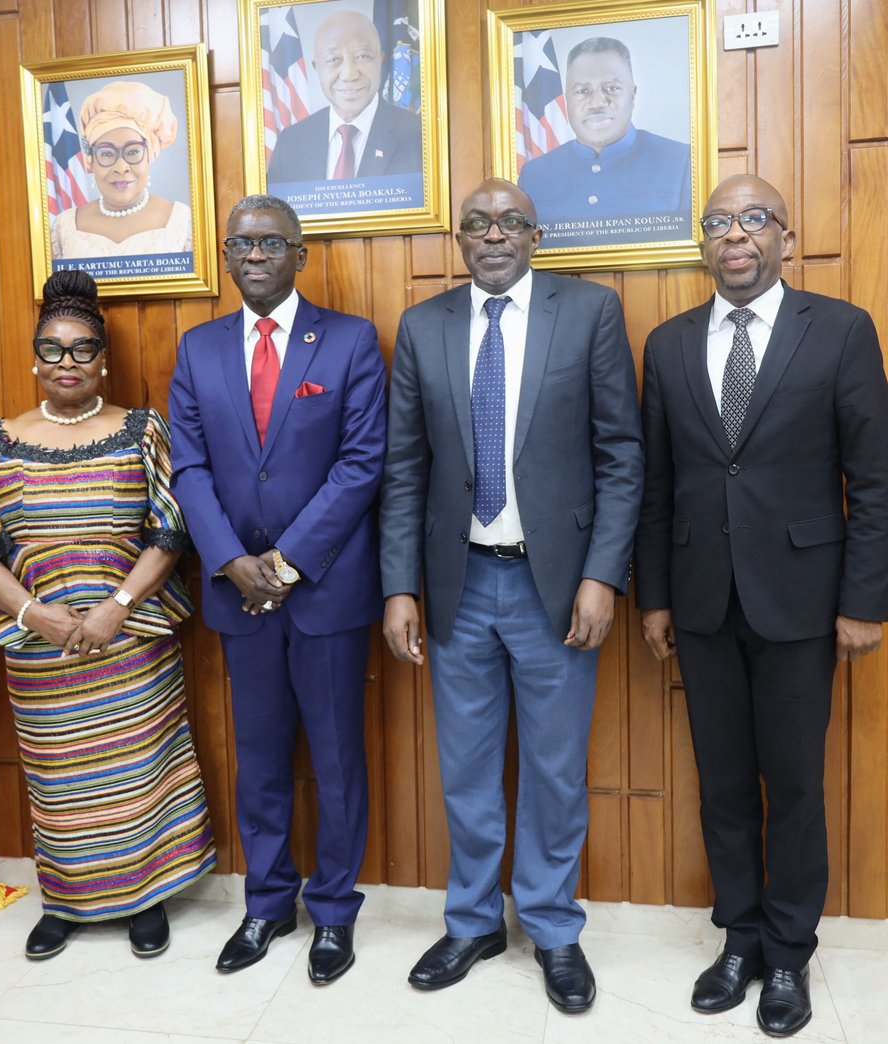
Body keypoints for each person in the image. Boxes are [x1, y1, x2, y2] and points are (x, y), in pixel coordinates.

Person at [636, 175, 888, 1038]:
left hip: (802, 602)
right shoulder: (670, 345)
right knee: (720, 785)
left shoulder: (841, 330)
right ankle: (739, 940)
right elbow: (659, 485)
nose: (735, 235)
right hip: (703, 602)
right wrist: (657, 598)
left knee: (791, 785)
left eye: (754, 219)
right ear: (703, 243)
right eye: (719, 222)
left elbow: (875, 479)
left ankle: (789, 954)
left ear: (787, 233)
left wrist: (864, 600)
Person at [379, 179, 644, 1012]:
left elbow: (621, 458)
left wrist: (603, 574)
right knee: (464, 769)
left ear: (536, 233)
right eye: (476, 225)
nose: (493, 235)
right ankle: (472, 923)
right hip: (459, 583)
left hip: (555, 586)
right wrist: (399, 588)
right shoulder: (425, 326)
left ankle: (554, 928)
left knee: (557, 769)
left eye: (509, 223)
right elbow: (404, 470)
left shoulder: (590, 313)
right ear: (460, 240)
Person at [0, 269, 215, 960]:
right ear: (34, 357)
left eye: (82, 349)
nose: (66, 363)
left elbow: (170, 531)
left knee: (139, 768)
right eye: (52, 350)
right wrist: (38, 616)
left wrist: (117, 606)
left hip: (133, 639)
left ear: (103, 359)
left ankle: (146, 898)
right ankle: (68, 901)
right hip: (43, 649)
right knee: (61, 780)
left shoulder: (143, 430)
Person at [168, 194, 386, 985]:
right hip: (236, 593)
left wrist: (286, 563)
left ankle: (332, 913)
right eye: (240, 244)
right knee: (258, 757)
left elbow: (362, 464)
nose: (253, 256)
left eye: (270, 243)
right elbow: (188, 468)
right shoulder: (198, 349)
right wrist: (230, 561)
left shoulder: (351, 341)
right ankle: (267, 905)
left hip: (324, 591)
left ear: (301, 254)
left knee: (334, 758)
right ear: (226, 257)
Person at [517, 37, 690, 239]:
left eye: (611, 88)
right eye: (582, 91)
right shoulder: (534, 175)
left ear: (633, 95)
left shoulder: (680, 161)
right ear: (566, 101)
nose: (597, 102)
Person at [266, 9, 421, 186]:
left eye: (362, 57)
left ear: (380, 60)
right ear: (317, 68)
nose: (349, 74)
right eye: (333, 60)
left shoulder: (418, 134)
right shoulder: (291, 142)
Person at [51, 81, 192, 260]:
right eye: (107, 153)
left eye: (133, 152)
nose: (121, 167)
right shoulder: (64, 226)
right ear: (91, 160)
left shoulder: (182, 220)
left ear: (150, 156)